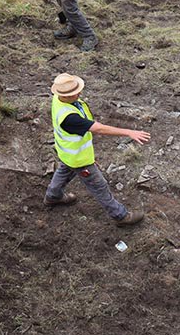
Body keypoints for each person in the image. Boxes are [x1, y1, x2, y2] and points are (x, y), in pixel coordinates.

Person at [43, 73, 149, 226]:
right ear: (65, 95)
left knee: (64, 169)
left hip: (66, 152)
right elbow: (98, 129)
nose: (79, 93)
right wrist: (129, 132)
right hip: (79, 159)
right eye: (74, 93)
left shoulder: (58, 100)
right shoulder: (69, 117)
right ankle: (120, 216)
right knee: (99, 186)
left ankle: (53, 196)